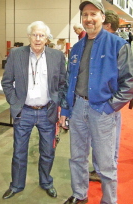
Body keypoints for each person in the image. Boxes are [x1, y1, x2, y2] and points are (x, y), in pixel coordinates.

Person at [60, 1, 133, 204]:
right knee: (77, 157)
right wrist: (66, 109)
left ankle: (109, 200)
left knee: (105, 162)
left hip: (103, 110)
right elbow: (69, 81)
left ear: (102, 16)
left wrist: (110, 106)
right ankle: (79, 194)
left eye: (93, 14)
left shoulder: (118, 45)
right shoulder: (76, 48)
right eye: (85, 15)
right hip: (78, 108)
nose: (89, 19)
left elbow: (129, 83)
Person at [1, 21, 68, 199]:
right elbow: (7, 82)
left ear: (47, 38)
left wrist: (58, 104)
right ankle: (16, 185)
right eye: (34, 35)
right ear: (29, 36)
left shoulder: (56, 56)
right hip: (25, 112)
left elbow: (63, 84)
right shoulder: (16, 54)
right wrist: (15, 103)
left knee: (48, 151)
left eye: (41, 35)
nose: (38, 39)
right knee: (19, 152)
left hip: (48, 112)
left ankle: (46, 182)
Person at [89, 9, 121, 183]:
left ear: (106, 24)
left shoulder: (116, 45)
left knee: (108, 142)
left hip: (108, 104)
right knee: (105, 141)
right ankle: (102, 168)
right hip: (103, 103)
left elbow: (126, 81)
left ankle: (106, 170)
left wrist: (112, 104)